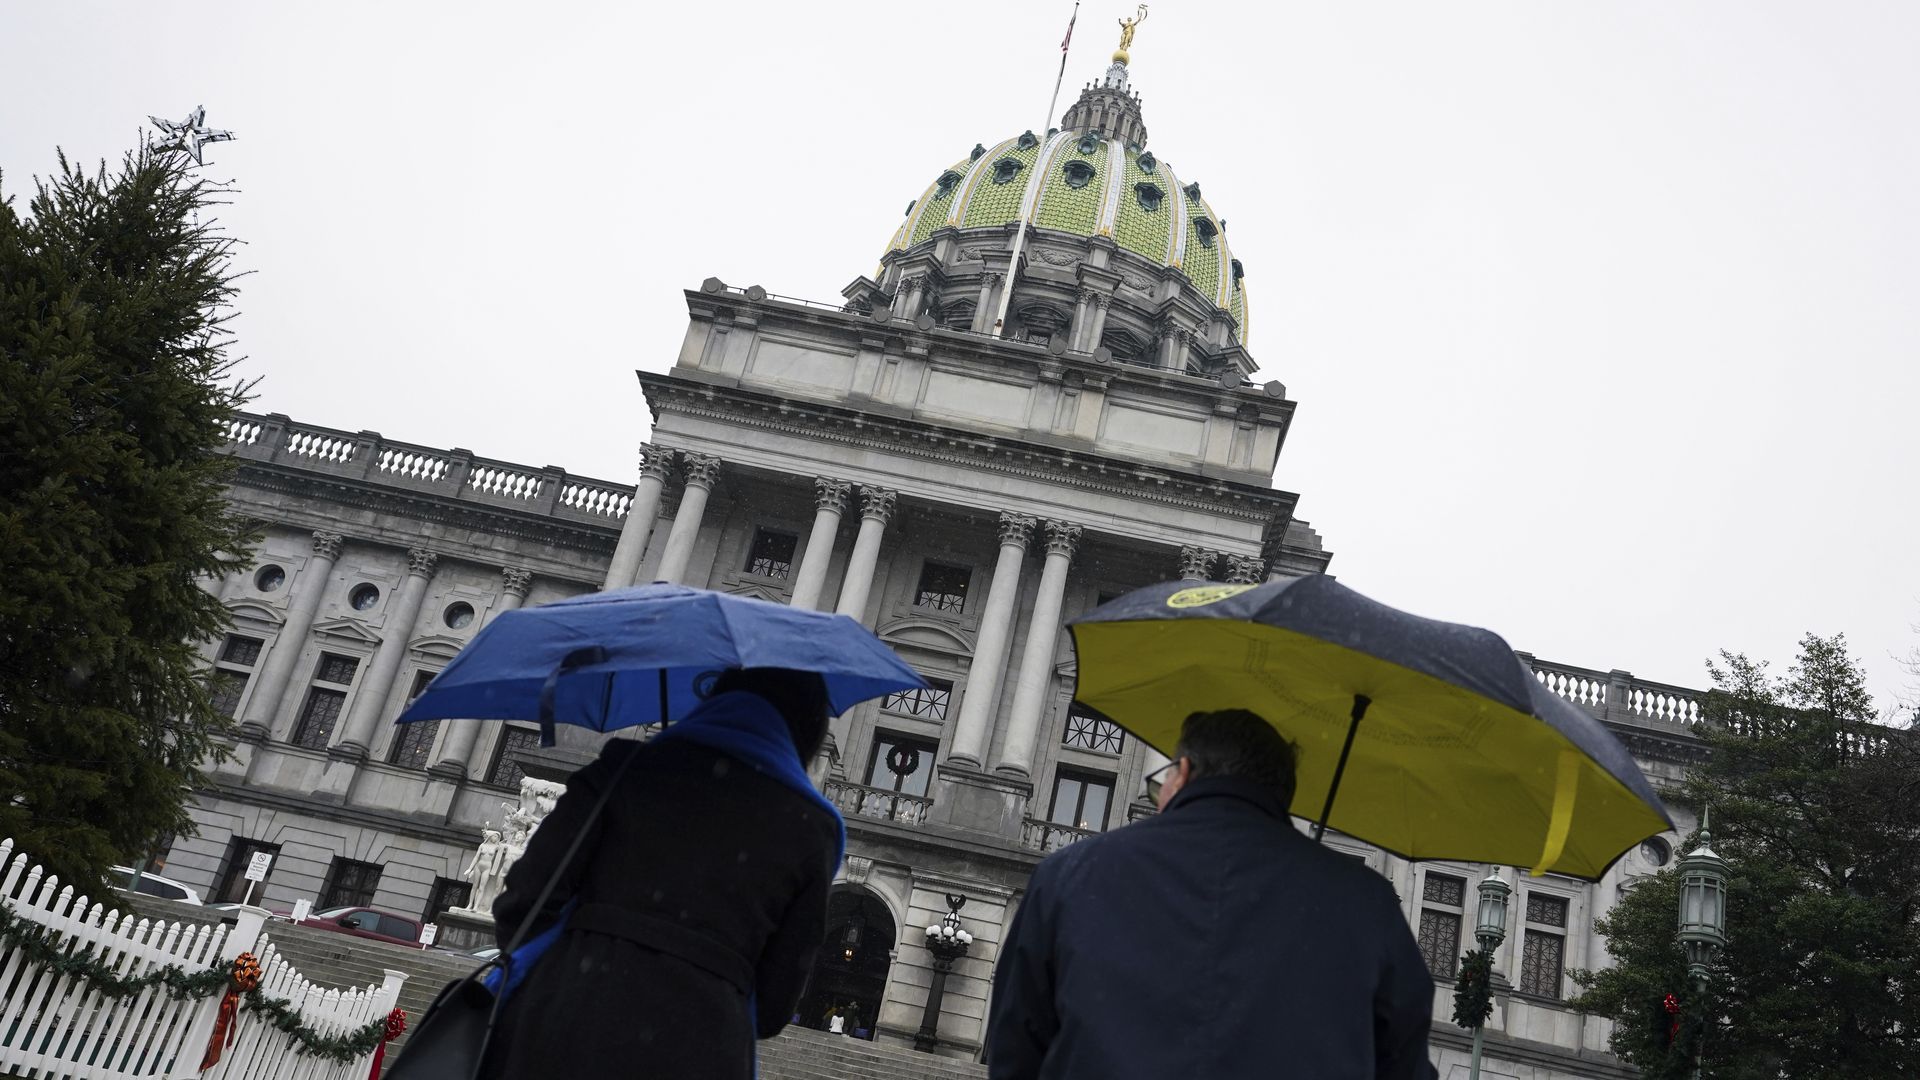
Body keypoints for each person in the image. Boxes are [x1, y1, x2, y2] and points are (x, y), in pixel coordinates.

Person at [987, 709, 1437, 1080]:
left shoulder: (1069, 876)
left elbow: (1014, 1052)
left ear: (1182, 773)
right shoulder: (1368, 905)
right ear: (1283, 795)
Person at [477, 667, 843, 1079]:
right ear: (806, 732)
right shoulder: (813, 829)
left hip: (565, 1018)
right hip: (707, 1050)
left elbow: (524, 900)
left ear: (716, 701)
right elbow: (776, 1005)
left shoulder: (623, 768)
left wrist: (572, 964)